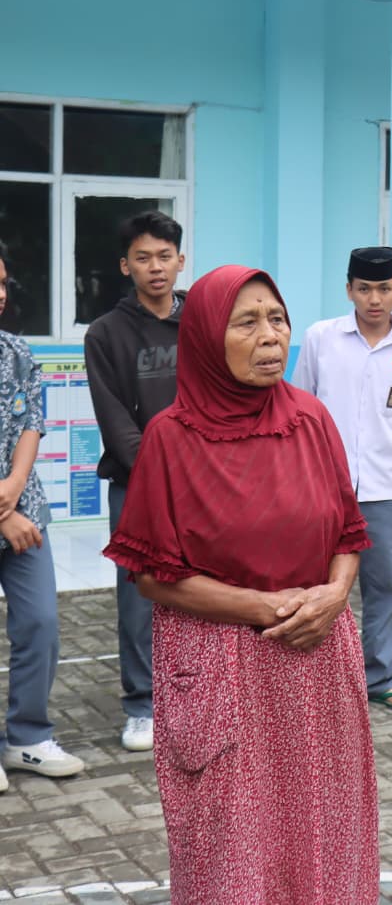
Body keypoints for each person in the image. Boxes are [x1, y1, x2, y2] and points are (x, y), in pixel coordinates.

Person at [103, 266, 379, 904]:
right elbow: (151, 575)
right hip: (221, 664)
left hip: (315, 658)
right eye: (247, 322)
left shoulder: (311, 419)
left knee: (324, 829)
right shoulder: (172, 438)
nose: (270, 337)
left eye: (278, 320)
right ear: (204, 335)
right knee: (231, 847)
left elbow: (347, 533)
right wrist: (264, 606)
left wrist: (336, 594)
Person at [293, 246, 392, 711]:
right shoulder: (320, 338)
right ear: (349, 289)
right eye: (365, 288)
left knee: (383, 584)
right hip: (319, 484)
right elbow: (300, 405)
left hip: (383, 483)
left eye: (385, 289)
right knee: (313, 581)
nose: (375, 299)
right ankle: (309, 678)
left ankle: (380, 678)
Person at [84, 210, 186, 753]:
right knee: (138, 597)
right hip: (137, 486)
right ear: (126, 266)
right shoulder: (105, 334)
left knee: (204, 591)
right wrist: (161, 475)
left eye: (164, 256)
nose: (155, 267)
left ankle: (197, 695)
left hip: (205, 482)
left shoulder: (203, 320)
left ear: (180, 260)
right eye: (143, 258)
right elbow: (115, 419)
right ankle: (142, 705)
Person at [0, 245, 86, 793]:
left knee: (40, 625)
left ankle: (27, 737)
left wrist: (9, 494)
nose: (1, 294)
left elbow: (32, 422)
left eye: (3, 282)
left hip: (23, 513)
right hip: (11, 516)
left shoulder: (16, 352)